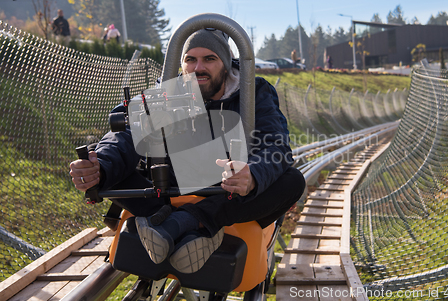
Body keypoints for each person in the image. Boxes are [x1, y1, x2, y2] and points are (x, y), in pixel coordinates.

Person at [69, 28, 305, 274]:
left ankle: (186, 221)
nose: (198, 68)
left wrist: (253, 173)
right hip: (169, 190)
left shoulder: (253, 92)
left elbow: (275, 144)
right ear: (181, 64)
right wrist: (100, 166)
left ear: (225, 63)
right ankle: (170, 221)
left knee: (292, 181)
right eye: (190, 59)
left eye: (209, 59)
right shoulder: (165, 93)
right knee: (110, 164)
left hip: (227, 191)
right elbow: (125, 136)